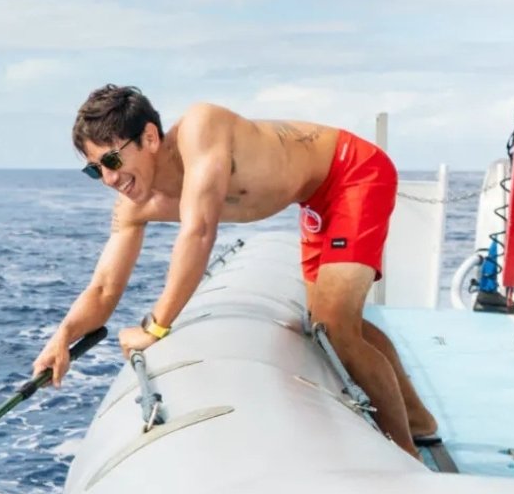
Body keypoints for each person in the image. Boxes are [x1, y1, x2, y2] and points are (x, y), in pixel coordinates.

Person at [32, 85, 438, 457]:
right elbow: (104, 287)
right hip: (313, 198)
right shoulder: (135, 205)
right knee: (327, 323)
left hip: (352, 172)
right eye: (94, 169)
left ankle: (407, 461)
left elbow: (200, 231)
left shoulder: (200, 129)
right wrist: (64, 336)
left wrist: (155, 328)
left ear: (150, 138)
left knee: (335, 326)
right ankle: (420, 420)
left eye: (113, 160)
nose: (108, 178)